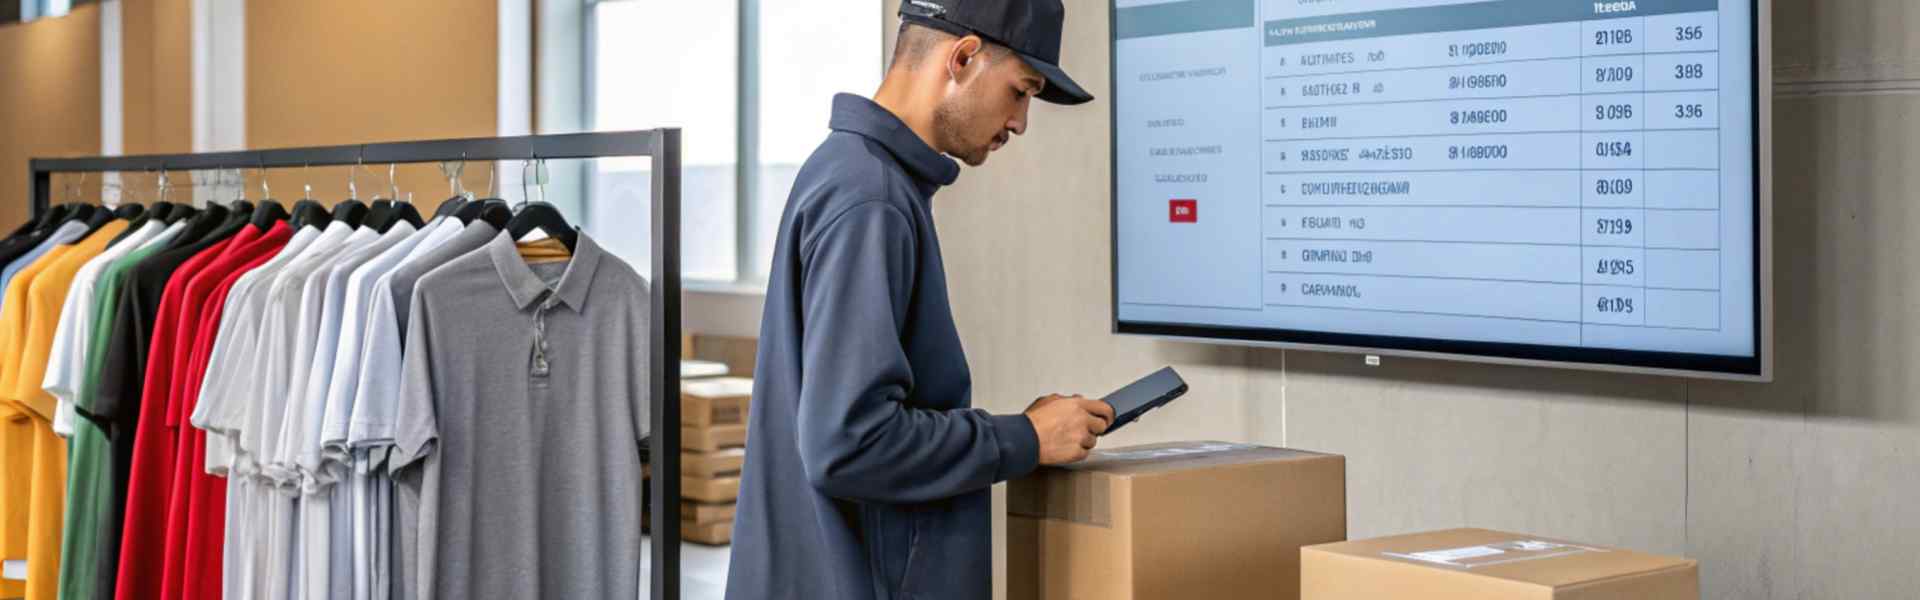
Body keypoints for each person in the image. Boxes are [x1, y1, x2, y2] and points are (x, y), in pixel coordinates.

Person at [725, 1, 1110, 599]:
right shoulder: (870, 198)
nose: (1021, 122)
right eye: (1020, 91)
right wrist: (1024, 438)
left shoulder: (855, 176)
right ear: (962, 58)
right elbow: (847, 442)